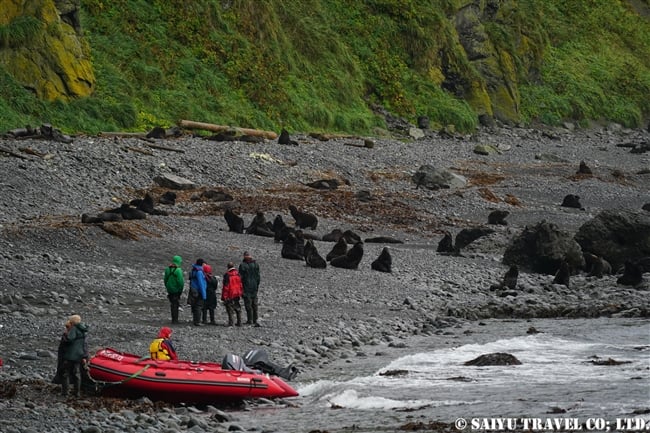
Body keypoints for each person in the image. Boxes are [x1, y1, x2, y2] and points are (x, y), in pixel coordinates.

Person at [60, 314, 89, 398]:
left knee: (65, 373)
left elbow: (69, 339)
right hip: (79, 355)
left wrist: (65, 334)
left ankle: (65, 393)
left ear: (72, 321)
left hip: (70, 355)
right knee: (77, 373)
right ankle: (77, 393)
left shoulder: (74, 328)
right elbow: (85, 344)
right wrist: (85, 356)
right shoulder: (83, 329)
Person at [239, 251, 261, 326]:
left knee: (248, 304)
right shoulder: (256, 264)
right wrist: (257, 285)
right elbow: (258, 277)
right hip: (254, 286)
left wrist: (240, 288)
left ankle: (250, 319)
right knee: (254, 304)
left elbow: (240, 278)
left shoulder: (242, 265)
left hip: (246, 287)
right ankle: (255, 319)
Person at [164, 255, 185, 324]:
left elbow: (165, 279)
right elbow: (180, 282)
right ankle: (175, 320)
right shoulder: (178, 270)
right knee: (175, 304)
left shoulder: (167, 269)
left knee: (172, 303)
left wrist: (167, 286)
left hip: (169, 289)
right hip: (176, 289)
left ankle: (174, 318)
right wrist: (180, 290)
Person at [221, 261, 243, 326]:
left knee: (230, 308)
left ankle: (231, 323)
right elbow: (240, 285)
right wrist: (240, 292)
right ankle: (239, 322)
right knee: (238, 307)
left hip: (230, 294)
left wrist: (224, 297)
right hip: (237, 293)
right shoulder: (238, 274)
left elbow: (226, 287)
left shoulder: (227, 275)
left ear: (228, 267)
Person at [189, 258, 207, 326]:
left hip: (193, 289)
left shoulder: (194, 269)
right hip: (198, 290)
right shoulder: (199, 272)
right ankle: (198, 321)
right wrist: (204, 294)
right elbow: (201, 283)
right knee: (199, 306)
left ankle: (195, 320)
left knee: (194, 305)